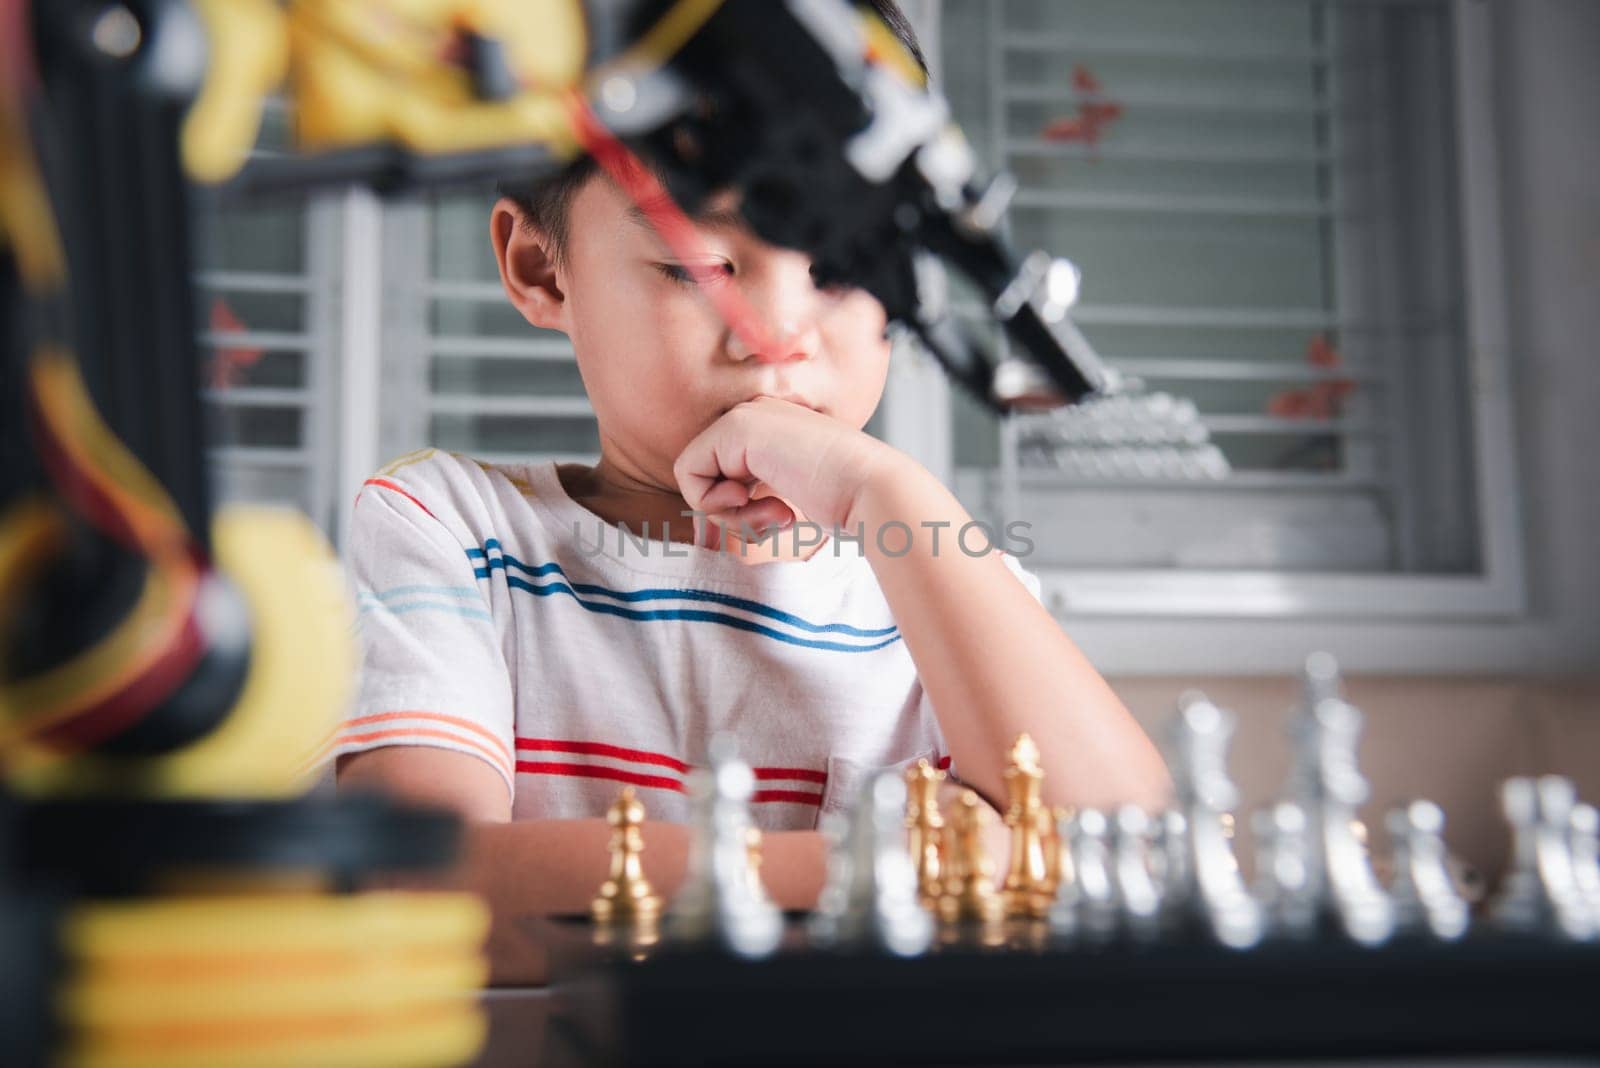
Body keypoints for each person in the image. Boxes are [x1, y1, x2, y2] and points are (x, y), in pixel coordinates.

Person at [332, 0, 1168, 981]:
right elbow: (419, 891)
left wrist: (887, 497)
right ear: (537, 266)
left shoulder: (941, 578)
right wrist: (896, 871)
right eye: (704, 267)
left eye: (846, 265)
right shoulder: (450, 528)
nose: (774, 337)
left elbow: (1122, 870)